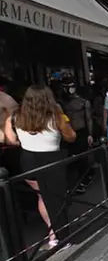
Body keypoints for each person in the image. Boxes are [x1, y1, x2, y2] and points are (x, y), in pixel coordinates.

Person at [3, 85, 77, 248]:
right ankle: (62, 236)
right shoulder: (55, 115)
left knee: (42, 197)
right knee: (56, 198)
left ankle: (52, 236)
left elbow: (10, 140)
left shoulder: (15, 116)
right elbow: (71, 137)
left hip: (28, 159)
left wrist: (25, 140)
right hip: (52, 158)